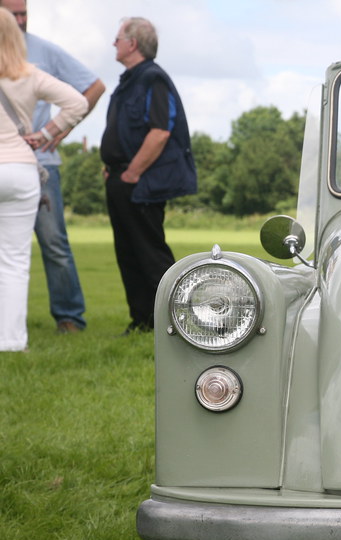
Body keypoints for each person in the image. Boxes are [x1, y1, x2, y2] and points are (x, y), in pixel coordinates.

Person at [0, 0, 105, 334]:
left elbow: (93, 87)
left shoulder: (44, 51)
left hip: (41, 164)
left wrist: (54, 133)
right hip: (18, 166)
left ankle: (69, 317)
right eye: (12, 14)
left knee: (54, 244)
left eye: (24, 13)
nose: (19, 20)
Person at [101, 17, 196, 334]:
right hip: (121, 179)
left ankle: (171, 323)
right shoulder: (128, 81)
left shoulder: (153, 79)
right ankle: (142, 321)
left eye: (117, 38)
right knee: (127, 253)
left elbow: (159, 132)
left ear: (132, 43)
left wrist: (132, 172)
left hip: (141, 183)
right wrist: (111, 165)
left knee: (149, 252)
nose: (113, 43)